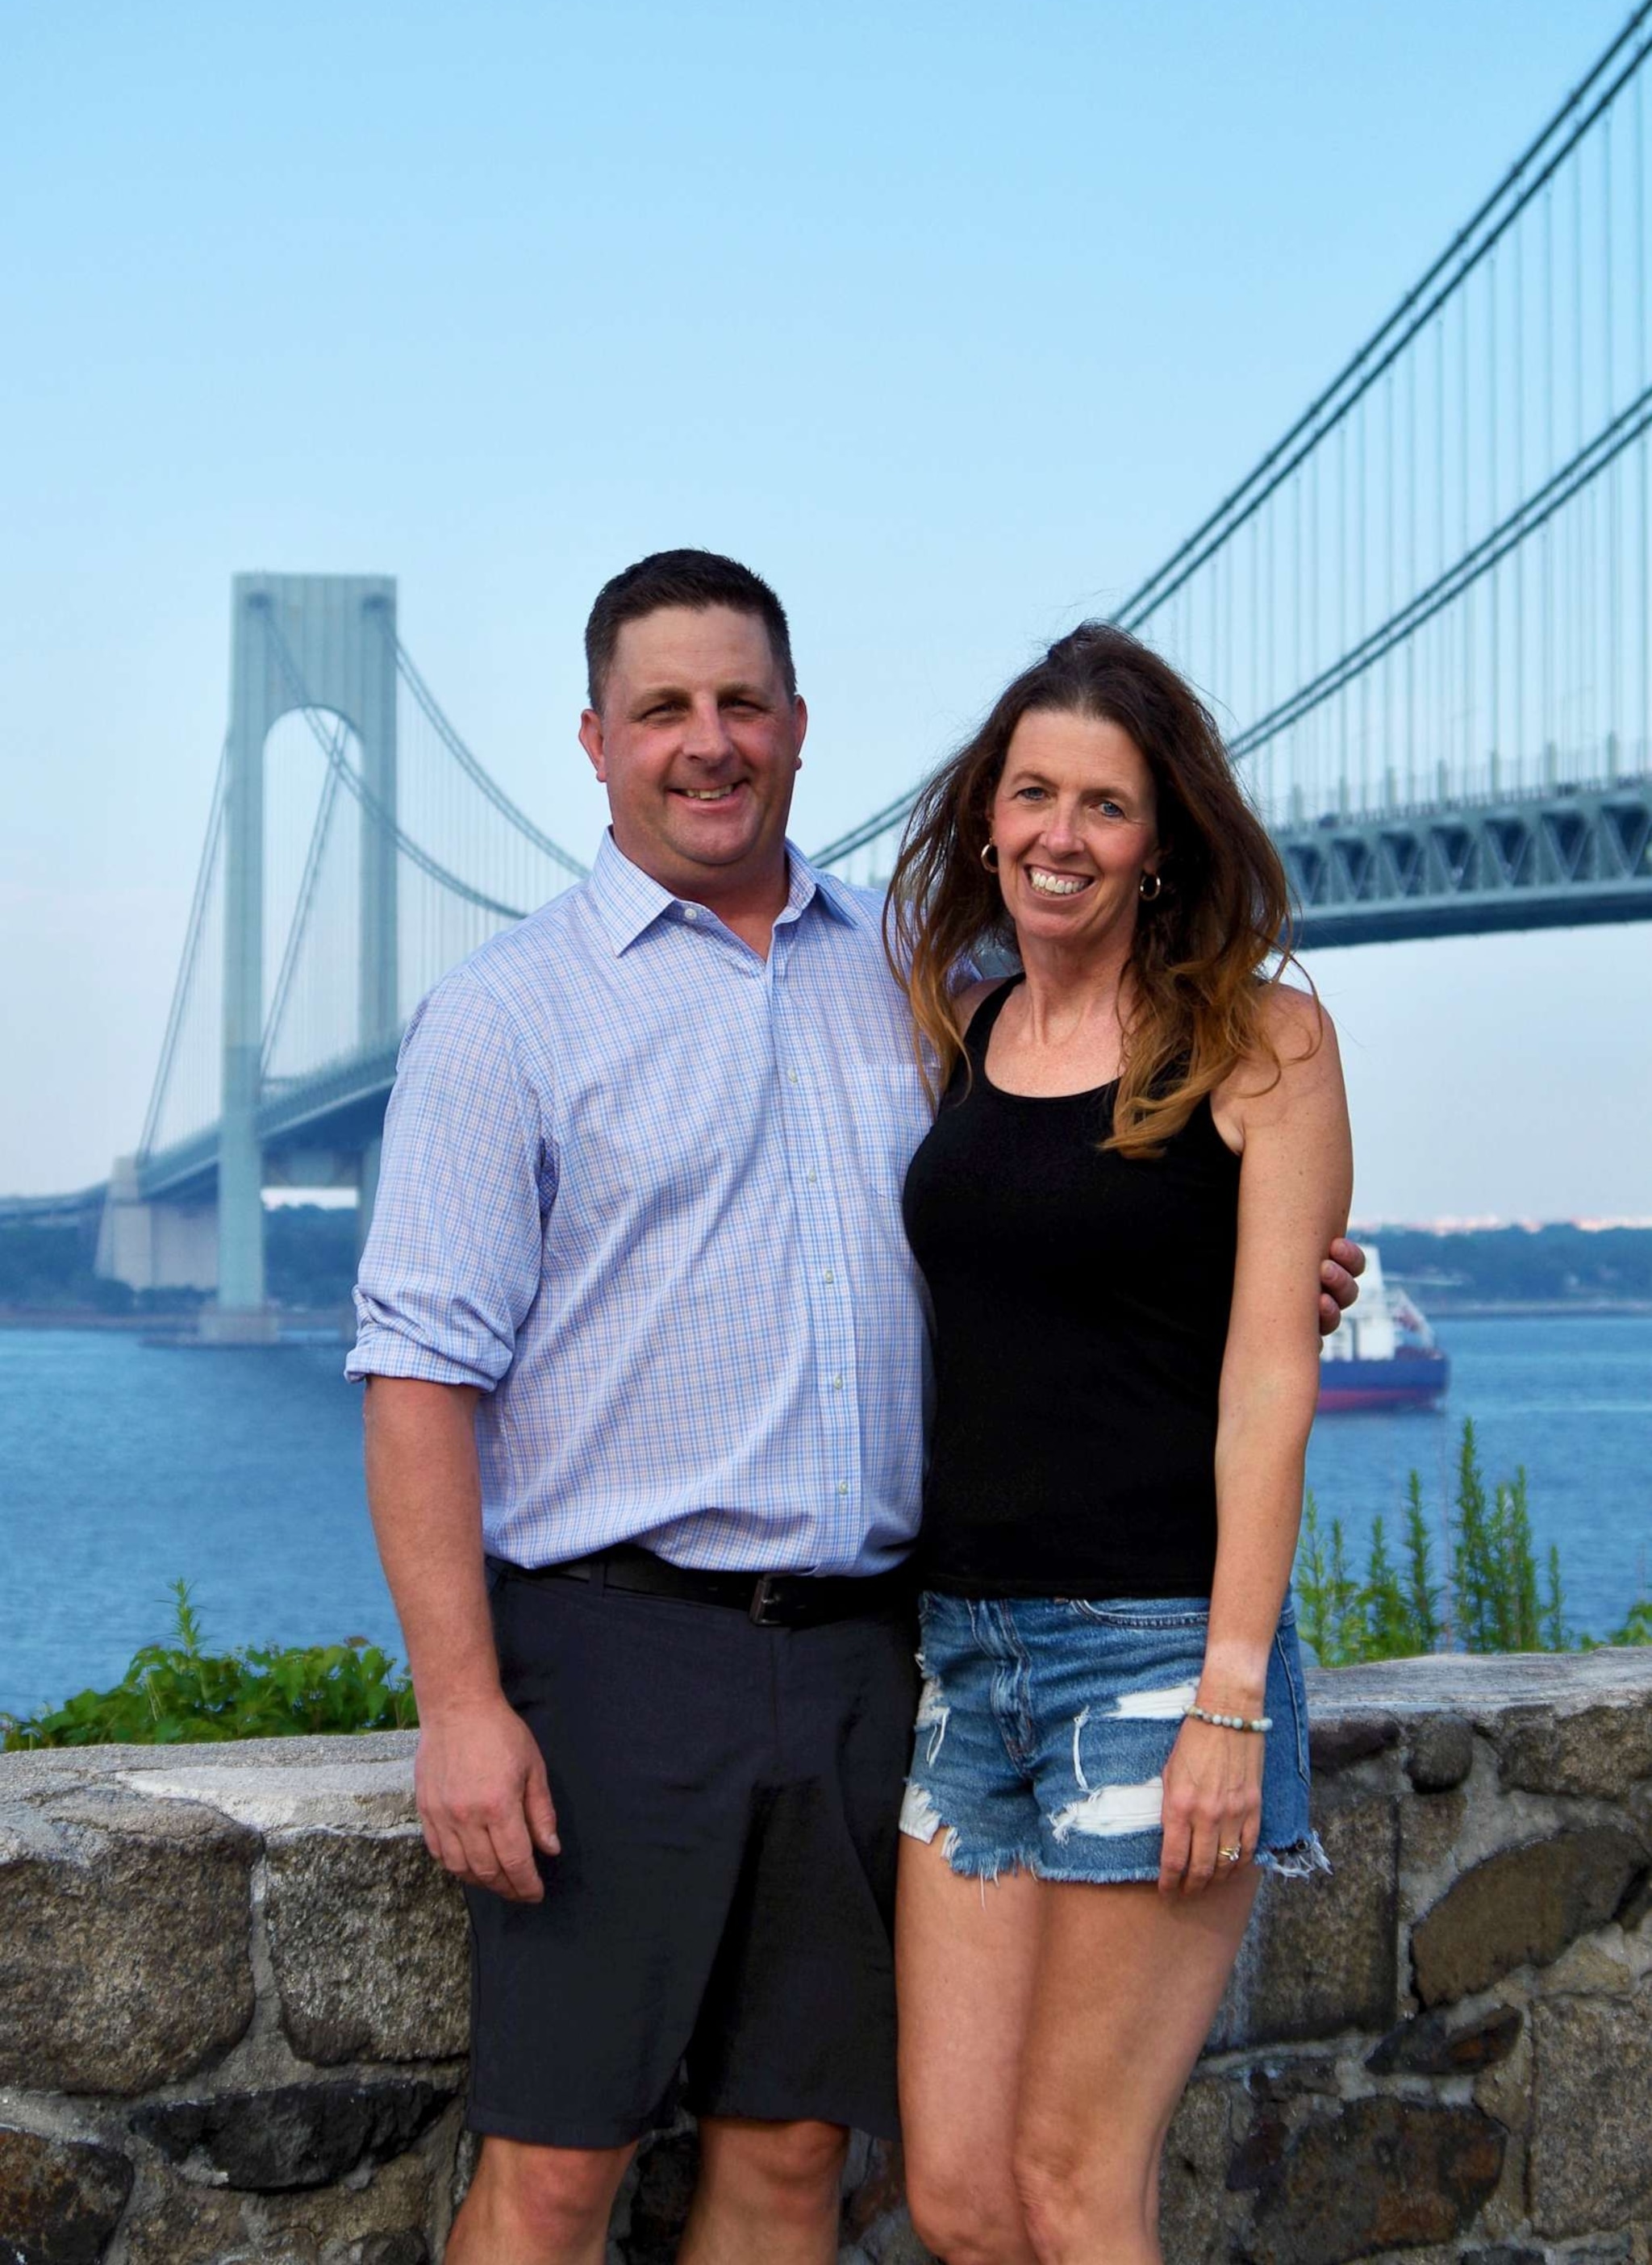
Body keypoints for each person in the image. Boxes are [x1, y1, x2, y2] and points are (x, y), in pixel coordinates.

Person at [348, 552, 1362, 2265]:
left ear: (801, 729)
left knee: (801, 2156)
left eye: (743, 702)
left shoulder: (907, 986)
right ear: (592, 741)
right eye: (663, 708)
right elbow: (414, 1372)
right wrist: (459, 1701)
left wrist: (1268, 1267)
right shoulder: (507, 1014)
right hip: (631, 1658)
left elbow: (1114, 1221)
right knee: (565, 2174)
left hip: (876, 1659)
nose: (708, 741)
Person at [886, 623, 1353, 2265]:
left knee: (1077, 2190)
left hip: (1154, 1660)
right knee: (958, 2199)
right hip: (969, 1654)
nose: (1058, 837)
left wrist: (1231, 1697)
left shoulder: (1261, 1042)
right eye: (1031, 795)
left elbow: (1266, 1381)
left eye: (1103, 806)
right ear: (986, 813)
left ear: (1162, 845)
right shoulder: (963, 1029)